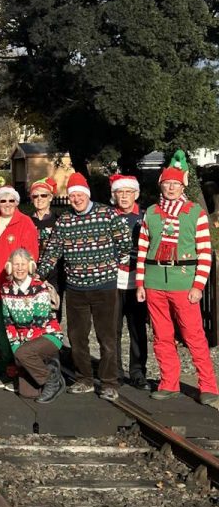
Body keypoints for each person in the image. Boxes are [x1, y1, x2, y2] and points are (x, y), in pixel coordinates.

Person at [39, 171, 131, 401]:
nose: (77, 199)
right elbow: (52, 252)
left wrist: (110, 265)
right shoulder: (65, 221)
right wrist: (38, 276)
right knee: (77, 337)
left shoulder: (107, 214)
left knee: (107, 337)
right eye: (72, 196)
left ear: (87, 194)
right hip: (76, 288)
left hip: (104, 286)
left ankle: (109, 382)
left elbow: (125, 242)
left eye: (80, 195)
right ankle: (84, 379)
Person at [136, 152, 218, 407]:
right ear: (160, 184)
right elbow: (142, 249)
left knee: (194, 336)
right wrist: (140, 283)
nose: (171, 188)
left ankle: (208, 386)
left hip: (183, 281)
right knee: (161, 336)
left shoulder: (195, 213)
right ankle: (168, 382)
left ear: (183, 185)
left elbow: (205, 253)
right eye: (166, 183)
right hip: (154, 281)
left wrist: (198, 285)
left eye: (175, 184)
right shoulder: (151, 212)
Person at [0, 185, 40, 383]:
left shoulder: (25, 222)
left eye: (10, 200)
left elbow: (31, 255)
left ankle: (18, 369)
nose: (6, 204)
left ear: (16, 202)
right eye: (2, 201)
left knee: (17, 329)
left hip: (15, 287)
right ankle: (6, 366)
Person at [0, 249, 64, 403]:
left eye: (23, 264)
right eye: (16, 264)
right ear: (10, 267)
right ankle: (47, 367)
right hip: (25, 342)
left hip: (47, 335)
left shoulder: (39, 287)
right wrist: (16, 347)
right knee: (27, 394)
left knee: (23, 354)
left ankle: (53, 380)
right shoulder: (6, 290)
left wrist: (22, 350)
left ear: (30, 266)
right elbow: (8, 323)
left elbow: (39, 322)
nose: (19, 268)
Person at [108, 173, 149, 390]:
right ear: (114, 195)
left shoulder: (145, 216)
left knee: (137, 329)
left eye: (128, 192)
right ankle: (115, 372)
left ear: (135, 194)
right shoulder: (107, 216)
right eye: (120, 192)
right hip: (114, 281)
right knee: (112, 329)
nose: (124, 196)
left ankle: (138, 372)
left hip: (137, 281)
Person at [29, 177, 66, 318]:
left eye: (43, 195)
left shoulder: (59, 219)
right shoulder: (27, 221)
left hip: (55, 272)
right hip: (32, 270)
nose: (39, 199)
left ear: (50, 197)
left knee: (53, 310)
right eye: (35, 196)